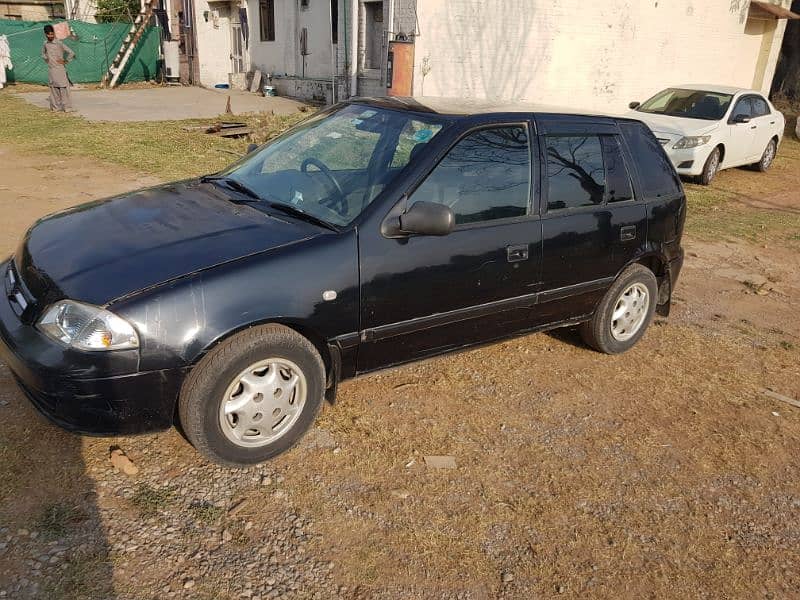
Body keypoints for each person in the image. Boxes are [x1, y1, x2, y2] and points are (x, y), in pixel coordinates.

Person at [41, 24, 75, 112]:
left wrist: (66, 61)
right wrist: (46, 59)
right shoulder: (45, 44)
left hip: (60, 70)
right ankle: (56, 108)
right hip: (51, 70)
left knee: (64, 89)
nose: (51, 36)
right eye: (49, 34)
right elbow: (43, 54)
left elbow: (71, 52)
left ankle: (67, 108)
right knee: (53, 89)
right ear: (45, 34)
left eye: (52, 34)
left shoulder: (59, 43)